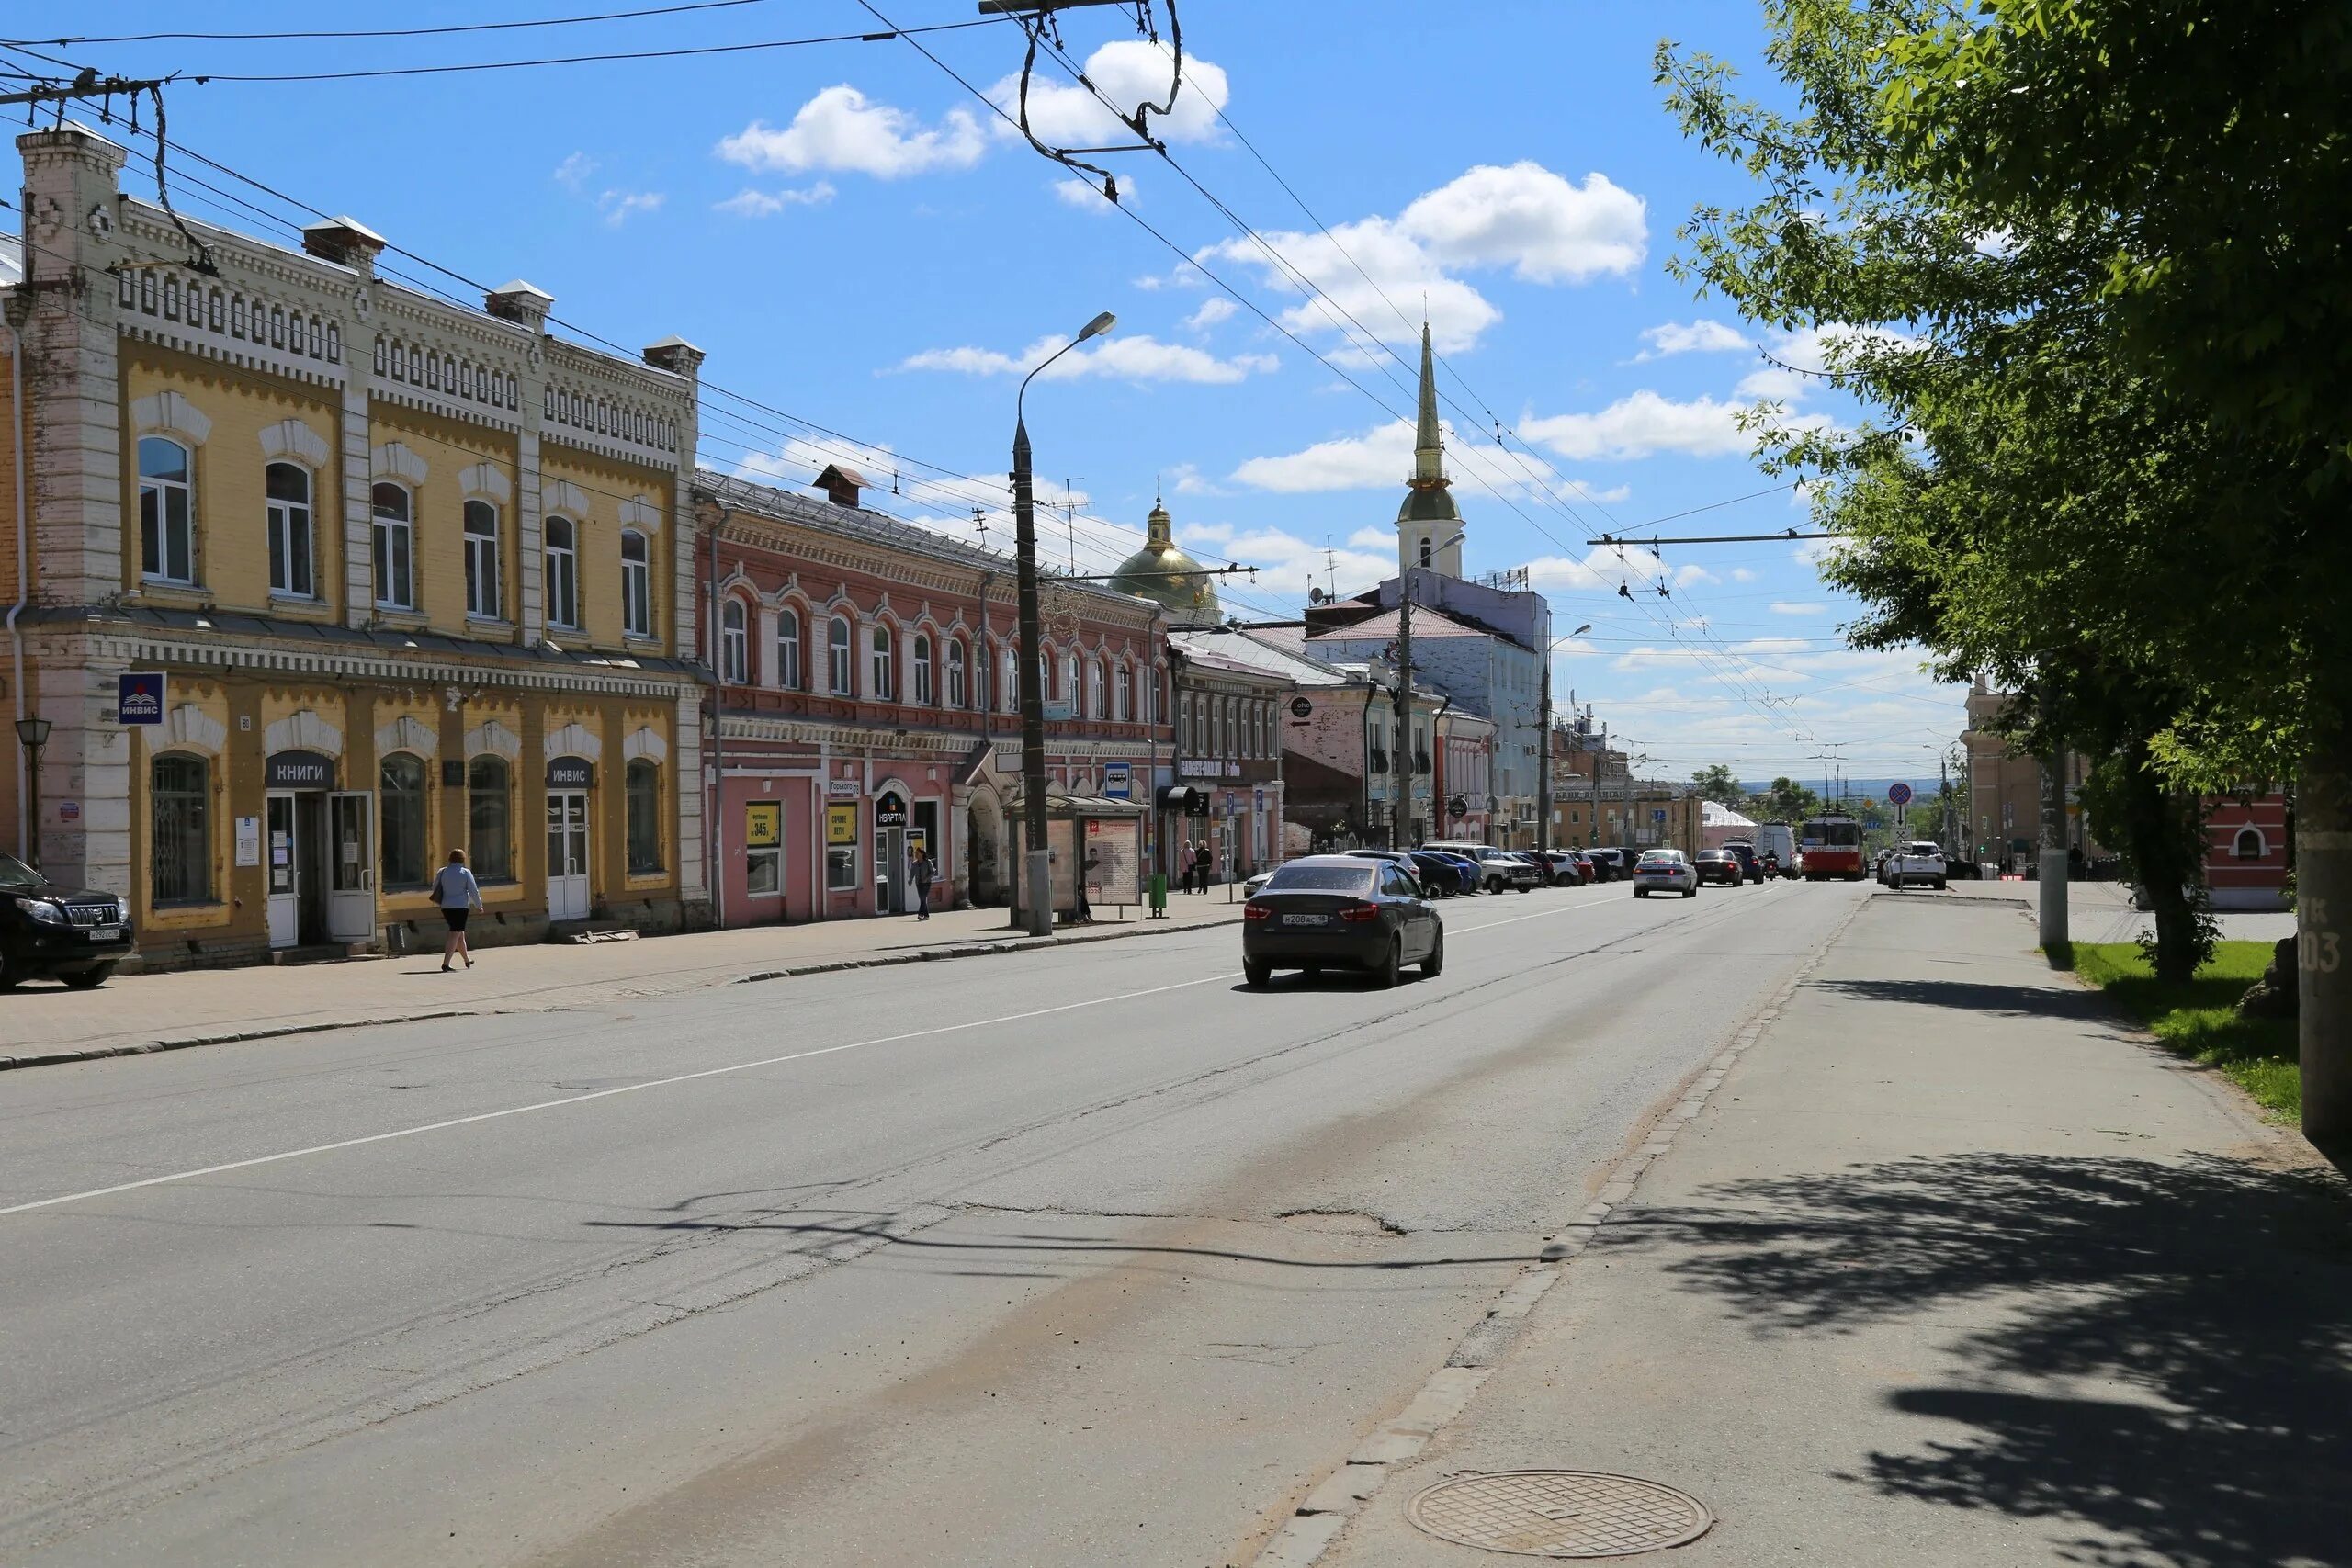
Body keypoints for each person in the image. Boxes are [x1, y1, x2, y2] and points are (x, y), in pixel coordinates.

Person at [430, 848, 482, 971]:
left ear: (450, 859)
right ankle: (446, 963)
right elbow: (473, 890)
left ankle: (467, 960)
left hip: (446, 907)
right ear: (463, 859)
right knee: (455, 934)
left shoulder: (442, 871)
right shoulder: (465, 872)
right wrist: (479, 905)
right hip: (461, 907)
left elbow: (434, 887)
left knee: (459, 934)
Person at [909, 846, 935, 919]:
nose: (915, 854)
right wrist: (910, 880)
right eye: (915, 853)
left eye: (917, 853)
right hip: (918, 883)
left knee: (923, 898)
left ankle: (920, 914)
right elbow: (912, 873)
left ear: (922, 854)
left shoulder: (927, 862)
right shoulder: (915, 863)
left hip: (926, 883)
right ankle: (926, 916)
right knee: (922, 899)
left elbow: (933, 872)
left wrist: (926, 878)